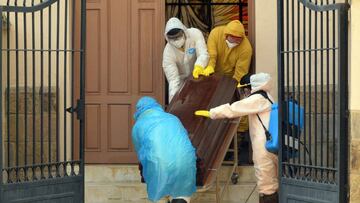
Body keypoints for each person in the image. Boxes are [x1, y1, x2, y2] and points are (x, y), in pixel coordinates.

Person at [195, 73, 279, 203]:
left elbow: (234, 109)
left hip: (264, 148)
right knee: (272, 183)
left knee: (266, 187)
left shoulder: (257, 98)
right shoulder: (268, 97)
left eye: (245, 90)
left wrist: (212, 113)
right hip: (271, 146)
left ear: (251, 88)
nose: (244, 93)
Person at [132, 97, 196, 203]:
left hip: (158, 164)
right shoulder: (173, 118)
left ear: (139, 110)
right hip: (185, 161)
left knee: (160, 194)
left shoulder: (138, 126)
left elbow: (140, 152)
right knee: (181, 196)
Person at [163, 17, 209, 102]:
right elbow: (173, 80)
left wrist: (199, 66)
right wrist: (173, 102)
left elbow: (203, 54)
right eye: (173, 38)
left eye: (178, 36)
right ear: (167, 38)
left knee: (203, 102)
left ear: (184, 31)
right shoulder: (168, 53)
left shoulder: (195, 34)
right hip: (182, 82)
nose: (176, 40)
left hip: (200, 75)